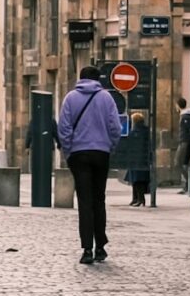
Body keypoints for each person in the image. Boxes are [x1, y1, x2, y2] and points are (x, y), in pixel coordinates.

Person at [57, 64, 124, 265]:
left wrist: (68, 151)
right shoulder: (106, 97)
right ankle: (101, 246)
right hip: (100, 153)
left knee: (84, 201)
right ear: (98, 80)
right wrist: (110, 146)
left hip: (78, 154)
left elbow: (64, 128)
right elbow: (115, 127)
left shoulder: (70, 98)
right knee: (99, 199)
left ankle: (87, 249)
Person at [127, 116, 151, 206]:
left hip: (137, 159)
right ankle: (136, 198)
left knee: (137, 180)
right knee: (136, 180)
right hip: (142, 159)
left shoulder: (135, 132)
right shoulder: (145, 131)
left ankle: (140, 199)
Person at [177, 98, 190, 194]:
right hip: (184, 142)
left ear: (178, 105)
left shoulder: (186, 117)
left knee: (179, 162)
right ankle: (188, 185)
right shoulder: (186, 116)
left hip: (185, 142)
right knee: (186, 163)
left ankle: (189, 184)